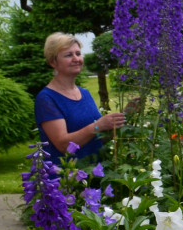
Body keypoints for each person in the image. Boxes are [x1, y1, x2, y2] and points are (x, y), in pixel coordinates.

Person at [35, 33, 125, 166]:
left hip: (94, 175)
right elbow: (63, 145)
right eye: (68, 55)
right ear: (52, 62)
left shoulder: (85, 94)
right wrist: (98, 125)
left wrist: (124, 117)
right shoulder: (47, 99)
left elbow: (99, 138)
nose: (76, 58)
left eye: (78, 53)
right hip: (67, 178)